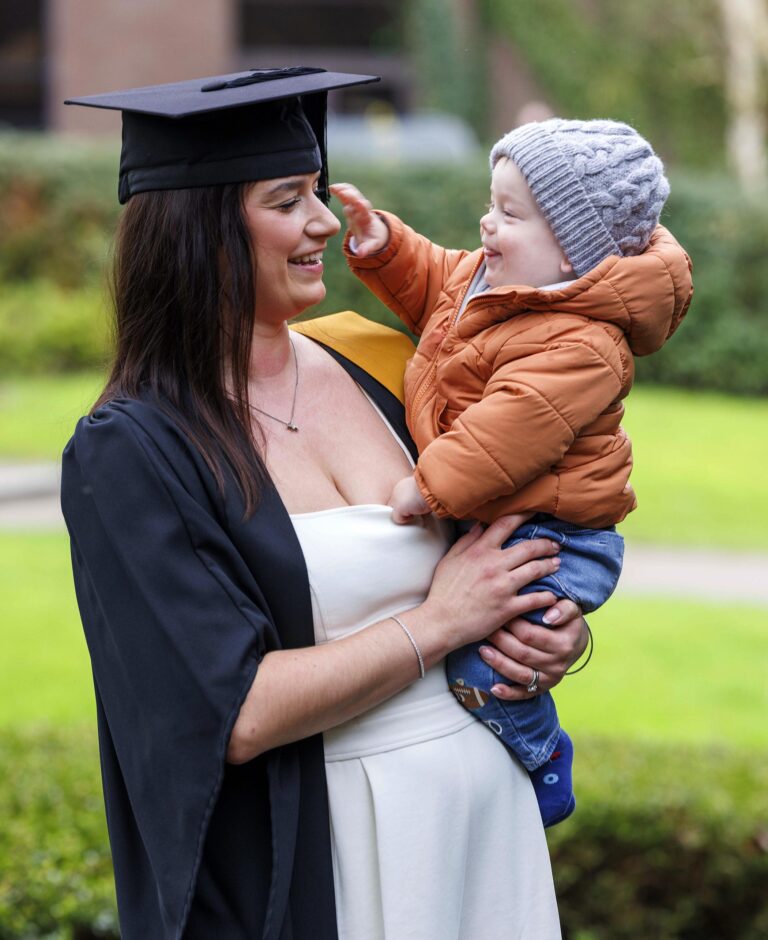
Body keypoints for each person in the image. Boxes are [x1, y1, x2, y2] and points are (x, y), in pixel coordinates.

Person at [60, 69, 590, 940]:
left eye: (315, 191)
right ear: (199, 226)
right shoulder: (134, 449)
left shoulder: (373, 356)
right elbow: (232, 714)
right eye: (286, 200)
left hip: (483, 830)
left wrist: (543, 632)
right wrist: (443, 623)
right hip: (335, 854)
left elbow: (494, 552)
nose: (323, 222)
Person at [331, 118, 694, 828]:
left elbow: (505, 437)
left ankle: (541, 756)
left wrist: (424, 488)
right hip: (501, 512)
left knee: (486, 665)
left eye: (510, 214)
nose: (486, 224)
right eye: (491, 204)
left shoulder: (582, 344)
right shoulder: (494, 280)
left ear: (574, 252)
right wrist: (386, 250)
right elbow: (436, 280)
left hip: (554, 538)